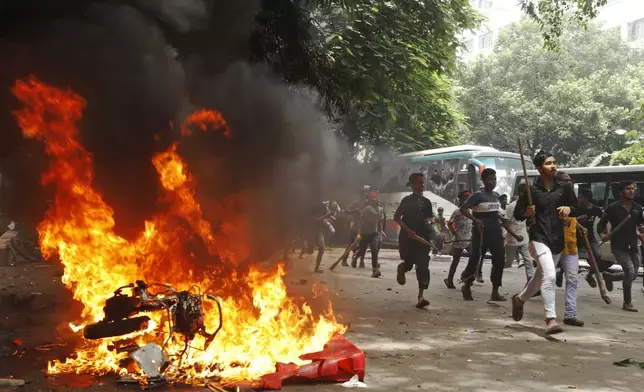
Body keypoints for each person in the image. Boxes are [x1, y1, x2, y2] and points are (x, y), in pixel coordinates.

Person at [511, 151, 580, 334]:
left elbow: (578, 207)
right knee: (549, 275)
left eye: (554, 163)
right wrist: (527, 212)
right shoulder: (529, 190)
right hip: (538, 238)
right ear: (539, 168)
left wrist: (569, 208)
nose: (553, 166)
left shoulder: (564, 187)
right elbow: (518, 214)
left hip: (557, 239)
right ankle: (550, 319)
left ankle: (519, 300)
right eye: (549, 163)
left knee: (539, 276)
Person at [458, 168, 522, 302]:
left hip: (495, 231)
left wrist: (502, 218)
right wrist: (475, 220)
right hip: (480, 232)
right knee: (476, 258)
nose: (493, 182)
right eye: (490, 179)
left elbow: (494, 212)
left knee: (499, 260)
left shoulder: (495, 195)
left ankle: (495, 291)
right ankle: (467, 284)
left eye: (495, 179)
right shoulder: (477, 195)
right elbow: (463, 209)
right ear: (483, 180)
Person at [597, 180, 644, 312]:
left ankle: (610, 276)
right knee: (629, 270)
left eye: (633, 188)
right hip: (619, 245)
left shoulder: (638, 208)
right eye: (628, 188)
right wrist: (602, 234)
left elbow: (640, 225)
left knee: (633, 274)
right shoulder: (612, 208)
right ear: (620, 192)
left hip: (634, 245)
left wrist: (642, 230)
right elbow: (601, 224)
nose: (632, 191)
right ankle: (627, 302)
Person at [394, 172, 434, 309]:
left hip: (422, 239)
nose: (422, 185)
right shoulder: (407, 200)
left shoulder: (427, 203)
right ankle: (402, 267)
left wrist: (432, 233)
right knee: (409, 264)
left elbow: (430, 220)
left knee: (423, 266)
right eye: (419, 182)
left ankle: (420, 297)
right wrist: (408, 231)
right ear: (412, 185)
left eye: (423, 182)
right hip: (407, 239)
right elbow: (397, 218)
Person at [575, 189, 622, 291]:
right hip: (575, 238)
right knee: (568, 258)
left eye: (581, 197)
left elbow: (603, 221)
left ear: (586, 199)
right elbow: (568, 220)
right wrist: (577, 219)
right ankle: (560, 273)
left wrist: (604, 233)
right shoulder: (575, 208)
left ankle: (590, 275)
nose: (579, 199)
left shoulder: (596, 210)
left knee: (599, 257)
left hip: (590, 237)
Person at [554, 172, 584, 327]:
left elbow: (573, 217)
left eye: (570, 181)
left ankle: (570, 314)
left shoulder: (573, 203)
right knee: (546, 278)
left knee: (572, 279)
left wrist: (579, 226)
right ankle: (522, 299)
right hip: (555, 245)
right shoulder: (552, 200)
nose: (569, 184)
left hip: (571, 246)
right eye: (565, 181)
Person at [353, 192, 387, 277]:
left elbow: (379, 221)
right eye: (373, 198)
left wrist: (382, 230)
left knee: (374, 250)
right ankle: (355, 257)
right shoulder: (367, 209)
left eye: (376, 198)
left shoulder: (380, 209)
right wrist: (359, 233)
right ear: (370, 199)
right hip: (365, 233)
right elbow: (361, 221)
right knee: (362, 249)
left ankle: (375, 270)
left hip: (375, 233)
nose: (375, 199)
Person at [504, 188, 535, 282]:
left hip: (524, 236)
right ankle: (496, 268)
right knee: (508, 263)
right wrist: (515, 236)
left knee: (528, 260)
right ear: (521, 194)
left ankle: (530, 280)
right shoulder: (511, 207)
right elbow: (505, 224)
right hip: (512, 239)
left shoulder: (528, 206)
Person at [444, 190, 473, 289]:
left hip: (468, 239)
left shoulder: (470, 211)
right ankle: (449, 280)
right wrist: (456, 234)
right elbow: (449, 224)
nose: (467, 201)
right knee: (456, 261)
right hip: (459, 240)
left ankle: (465, 275)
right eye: (466, 198)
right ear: (461, 200)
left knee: (474, 258)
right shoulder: (457, 212)